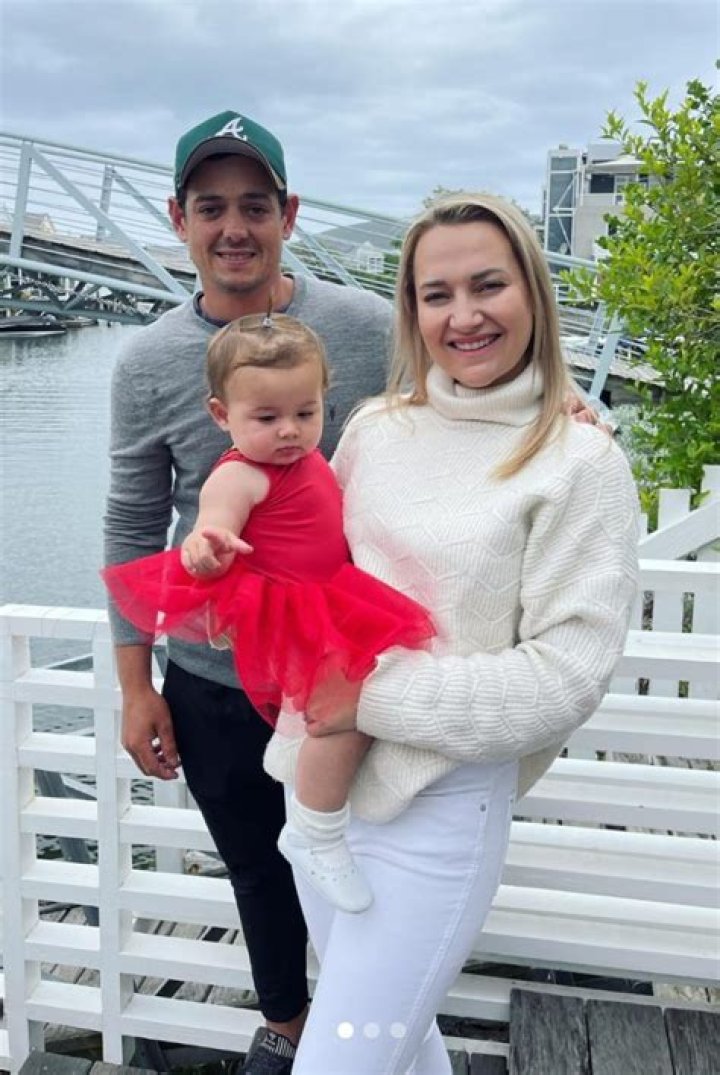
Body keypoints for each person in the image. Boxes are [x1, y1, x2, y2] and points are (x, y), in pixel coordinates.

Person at [262, 191, 640, 1074]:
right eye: (437, 294)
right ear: (412, 310)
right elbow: (312, 562)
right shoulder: (375, 429)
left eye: (488, 285)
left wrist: (367, 692)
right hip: (315, 791)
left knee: (344, 1056)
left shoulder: (582, 461)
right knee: (399, 1042)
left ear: (533, 291)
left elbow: (565, 676)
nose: (464, 315)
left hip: (436, 808)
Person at [103, 110, 394, 1075]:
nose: (235, 227)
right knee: (257, 864)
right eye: (211, 207)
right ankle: (291, 1023)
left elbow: (472, 386)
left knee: (368, 856)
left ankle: (375, 1028)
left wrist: (562, 402)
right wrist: (136, 685)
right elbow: (133, 522)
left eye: (256, 206)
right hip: (211, 678)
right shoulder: (148, 361)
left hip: (346, 673)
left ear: (289, 214)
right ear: (178, 219)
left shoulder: (366, 328)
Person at [102, 313, 434, 916]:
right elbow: (210, 527)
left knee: (360, 707)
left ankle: (337, 831)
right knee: (340, 716)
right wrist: (207, 549)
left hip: (333, 597)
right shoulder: (240, 475)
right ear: (220, 414)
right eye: (266, 418)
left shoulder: (305, 458)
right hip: (291, 612)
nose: (289, 431)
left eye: (306, 413)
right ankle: (316, 831)